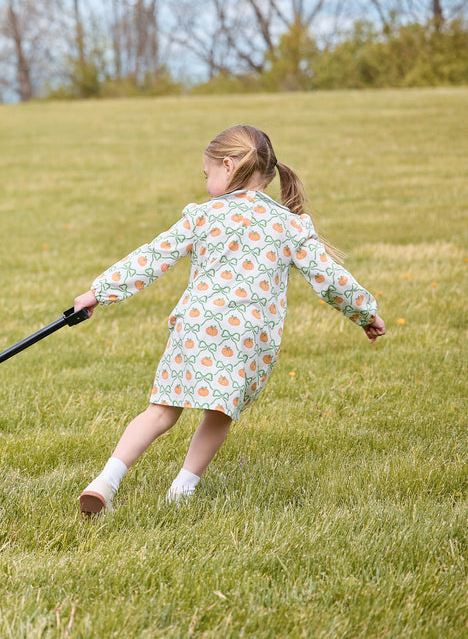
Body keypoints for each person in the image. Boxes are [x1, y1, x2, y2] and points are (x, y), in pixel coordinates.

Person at [72, 125, 386, 514]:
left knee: (160, 411)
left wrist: (98, 292)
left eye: (207, 175)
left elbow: (151, 258)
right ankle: (181, 491)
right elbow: (330, 279)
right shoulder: (290, 224)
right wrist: (365, 312)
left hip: (196, 329)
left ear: (226, 165)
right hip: (247, 338)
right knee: (219, 413)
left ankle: (106, 481)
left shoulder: (203, 216)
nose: (207, 183)